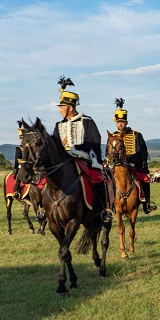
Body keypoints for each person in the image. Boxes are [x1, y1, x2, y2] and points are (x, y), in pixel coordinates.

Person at [53, 77, 113, 222]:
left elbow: (94, 141)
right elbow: (55, 144)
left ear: (71, 107)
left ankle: (103, 210)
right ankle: (44, 209)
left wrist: (81, 153)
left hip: (84, 159)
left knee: (98, 178)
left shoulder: (87, 121)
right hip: (64, 162)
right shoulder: (58, 125)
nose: (60, 109)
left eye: (62, 106)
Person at [113, 98, 157, 214]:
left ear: (126, 122)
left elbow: (143, 151)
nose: (120, 124)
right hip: (117, 166)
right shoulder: (113, 136)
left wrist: (144, 166)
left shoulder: (136, 134)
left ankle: (146, 204)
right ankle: (107, 206)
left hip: (133, 165)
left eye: (122, 121)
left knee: (145, 180)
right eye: (118, 122)